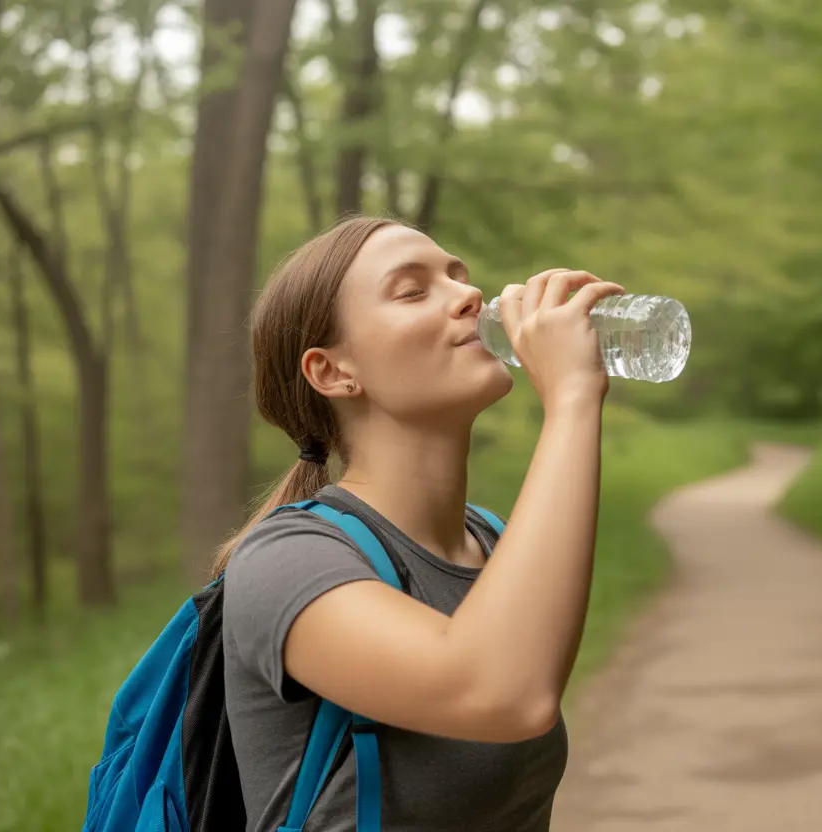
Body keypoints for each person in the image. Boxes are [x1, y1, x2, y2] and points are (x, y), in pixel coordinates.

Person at [216, 215, 626, 832]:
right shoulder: (287, 560)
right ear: (332, 372)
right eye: (413, 291)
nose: (470, 296)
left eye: (459, 277)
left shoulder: (493, 542)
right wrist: (570, 400)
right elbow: (502, 694)